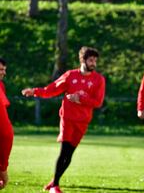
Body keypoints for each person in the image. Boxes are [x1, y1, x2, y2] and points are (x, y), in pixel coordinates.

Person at [21, 47, 105, 193]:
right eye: (91, 60)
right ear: (82, 60)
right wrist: (35, 91)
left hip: (83, 121)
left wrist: (80, 98)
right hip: (67, 119)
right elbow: (51, 90)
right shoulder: (70, 75)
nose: (94, 63)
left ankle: (54, 181)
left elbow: (98, 102)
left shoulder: (99, 79)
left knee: (70, 153)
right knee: (64, 151)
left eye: (95, 60)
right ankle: (55, 186)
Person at [0, 58, 14, 190]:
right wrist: (3, 169)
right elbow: (5, 133)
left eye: (4, 70)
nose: (3, 73)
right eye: (0, 69)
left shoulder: (1, 86)